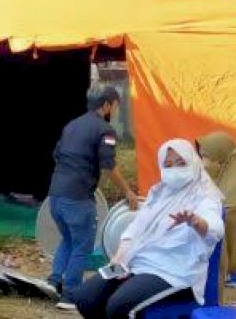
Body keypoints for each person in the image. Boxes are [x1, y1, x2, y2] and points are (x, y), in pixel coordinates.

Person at [72, 139, 224, 318]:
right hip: (137, 260)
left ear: (194, 162)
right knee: (85, 298)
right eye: (168, 165)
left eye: (181, 163)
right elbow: (136, 227)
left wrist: (196, 222)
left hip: (174, 271)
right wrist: (119, 258)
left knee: (119, 305)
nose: (175, 169)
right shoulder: (159, 193)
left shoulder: (205, 196)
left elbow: (215, 228)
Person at [47, 85, 139, 308]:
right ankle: (70, 296)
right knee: (82, 246)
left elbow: (56, 154)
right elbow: (109, 165)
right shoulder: (104, 130)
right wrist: (128, 191)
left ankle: (53, 281)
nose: (116, 109)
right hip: (78, 198)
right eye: (115, 104)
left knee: (69, 239)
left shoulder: (72, 125)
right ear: (107, 104)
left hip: (55, 195)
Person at [196, 132, 236, 291]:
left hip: (227, 253)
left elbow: (223, 221)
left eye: (205, 157)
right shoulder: (224, 176)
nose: (202, 163)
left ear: (220, 158)